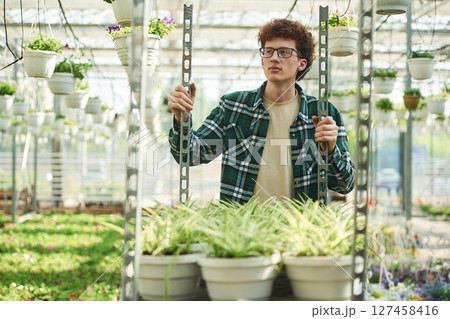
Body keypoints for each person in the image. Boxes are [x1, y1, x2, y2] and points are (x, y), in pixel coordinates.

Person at [168, 18, 355, 204]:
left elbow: (344, 185)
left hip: (300, 230)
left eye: (284, 52)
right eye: (268, 51)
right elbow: (189, 155)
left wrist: (331, 150)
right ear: (262, 61)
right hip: (243, 228)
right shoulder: (233, 107)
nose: (274, 57)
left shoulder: (323, 113)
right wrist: (181, 118)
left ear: (302, 64)